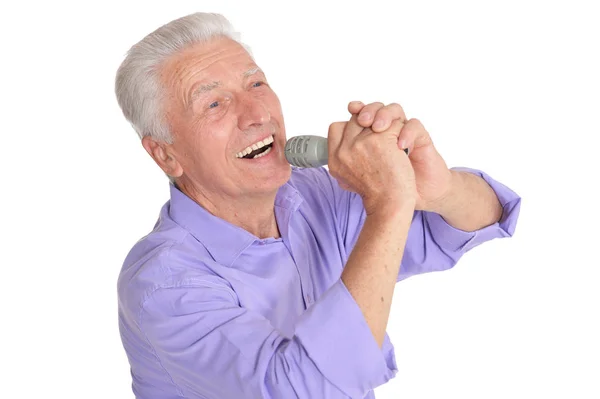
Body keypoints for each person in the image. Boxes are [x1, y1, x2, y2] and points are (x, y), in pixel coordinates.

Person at [115, 12, 521, 399]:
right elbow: (305, 390)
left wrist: (440, 189)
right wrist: (389, 203)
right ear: (166, 156)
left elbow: (479, 218)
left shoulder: (316, 195)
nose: (257, 114)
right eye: (215, 104)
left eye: (256, 85)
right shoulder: (163, 284)